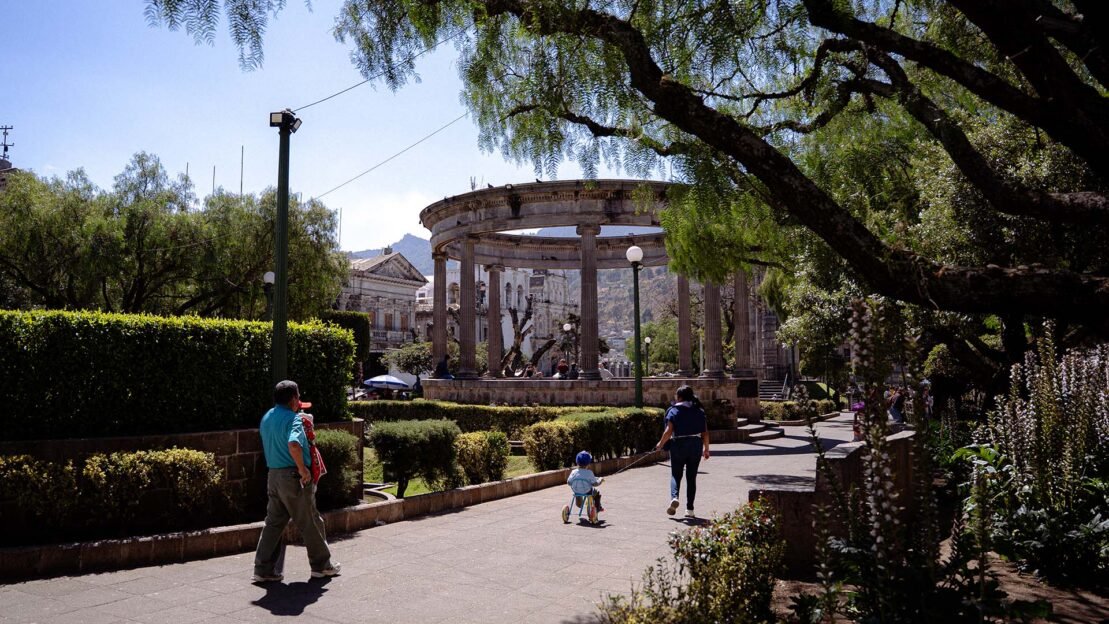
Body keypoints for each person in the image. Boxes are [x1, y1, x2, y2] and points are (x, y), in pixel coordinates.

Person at [253, 380, 341, 583]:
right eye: (298, 397)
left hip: (273, 476)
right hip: (293, 476)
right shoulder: (294, 419)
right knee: (310, 520)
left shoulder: (267, 417)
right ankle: (322, 566)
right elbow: (293, 444)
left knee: (273, 523)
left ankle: (262, 568)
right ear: (294, 398)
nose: (299, 400)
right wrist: (303, 470)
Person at [654, 385, 710, 518]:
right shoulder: (699, 411)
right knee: (691, 478)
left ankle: (674, 497)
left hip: (678, 444)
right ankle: (690, 509)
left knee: (675, 474)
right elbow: (705, 433)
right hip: (696, 444)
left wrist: (660, 444)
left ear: (679, 397)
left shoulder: (674, 410)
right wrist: (706, 449)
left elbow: (668, 432)